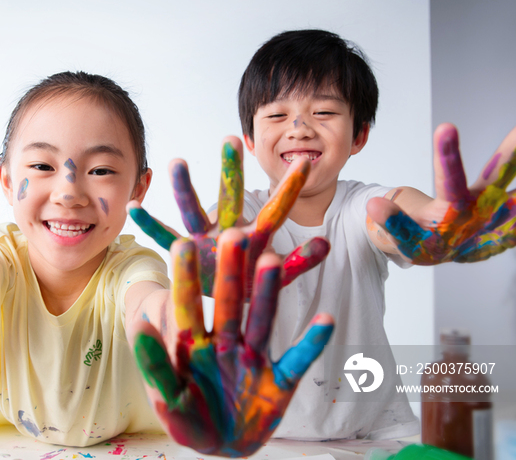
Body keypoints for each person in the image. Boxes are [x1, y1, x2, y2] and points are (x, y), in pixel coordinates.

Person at [0, 71, 337, 457]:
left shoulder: (130, 266)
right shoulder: (1, 256)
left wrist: (192, 357)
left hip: (142, 447)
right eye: (42, 165)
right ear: (5, 180)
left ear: (139, 188)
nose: (68, 191)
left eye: (101, 169)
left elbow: (151, 308)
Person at [130, 29, 516, 440]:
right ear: (250, 139)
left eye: (324, 112)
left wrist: (439, 224)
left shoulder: (360, 205)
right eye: (277, 115)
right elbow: (224, 240)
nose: (299, 128)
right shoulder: (241, 214)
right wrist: (224, 261)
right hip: (260, 433)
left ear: (359, 136)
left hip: (375, 434)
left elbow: (399, 216)